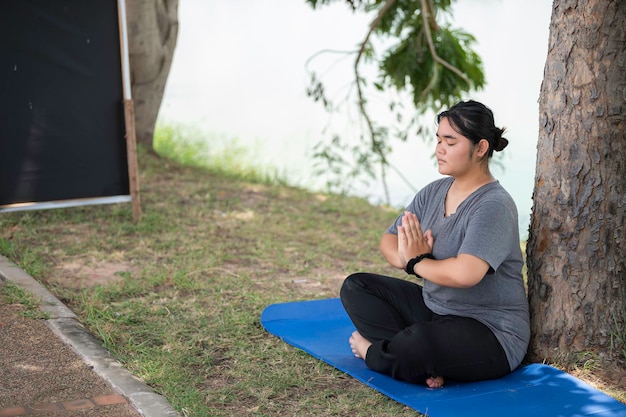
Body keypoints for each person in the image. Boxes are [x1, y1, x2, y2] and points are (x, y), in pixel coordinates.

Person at [340, 100, 530, 388]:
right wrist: (410, 258)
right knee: (357, 287)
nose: (439, 148)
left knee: (418, 343)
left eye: (450, 142)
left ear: (480, 148)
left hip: (490, 332)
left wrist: (418, 263)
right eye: (439, 140)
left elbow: (466, 274)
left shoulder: (494, 205)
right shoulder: (434, 191)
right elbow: (390, 240)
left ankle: (375, 353)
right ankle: (422, 364)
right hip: (436, 311)